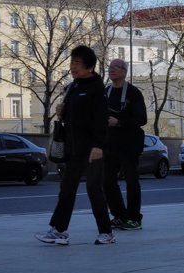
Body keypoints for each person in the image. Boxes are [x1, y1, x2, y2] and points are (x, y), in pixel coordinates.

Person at [35, 45, 115, 246]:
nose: (72, 67)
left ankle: (106, 232)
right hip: (73, 147)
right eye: (71, 63)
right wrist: (62, 111)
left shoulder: (96, 88)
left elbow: (100, 119)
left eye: (77, 63)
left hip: (92, 148)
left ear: (89, 66)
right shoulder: (73, 87)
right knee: (67, 188)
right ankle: (60, 231)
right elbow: (70, 117)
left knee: (93, 188)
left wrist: (98, 146)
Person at [102, 58, 148, 231]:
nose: (111, 70)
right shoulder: (105, 93)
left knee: (132, 181)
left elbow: (142, 119)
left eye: (115, 67)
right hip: (109, 143)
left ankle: (134, 218)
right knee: (107, 181)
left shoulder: (133, 93)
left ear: (124, 71)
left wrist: (119, 122)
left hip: (129, 143)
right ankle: (119, 215)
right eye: (110, 67)